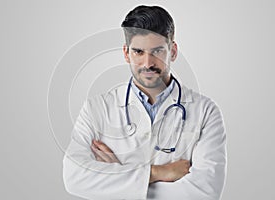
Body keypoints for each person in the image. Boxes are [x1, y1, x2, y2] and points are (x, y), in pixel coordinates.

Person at [63, 5, 227, 200]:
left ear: (172, 51)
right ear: (126, 53)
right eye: (138, 52)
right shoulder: (96, 109)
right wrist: (157, 173)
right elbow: (74, 178)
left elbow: (205, 192)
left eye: (157, 51)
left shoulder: (205, 112)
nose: (148, 63)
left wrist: (118, 177)